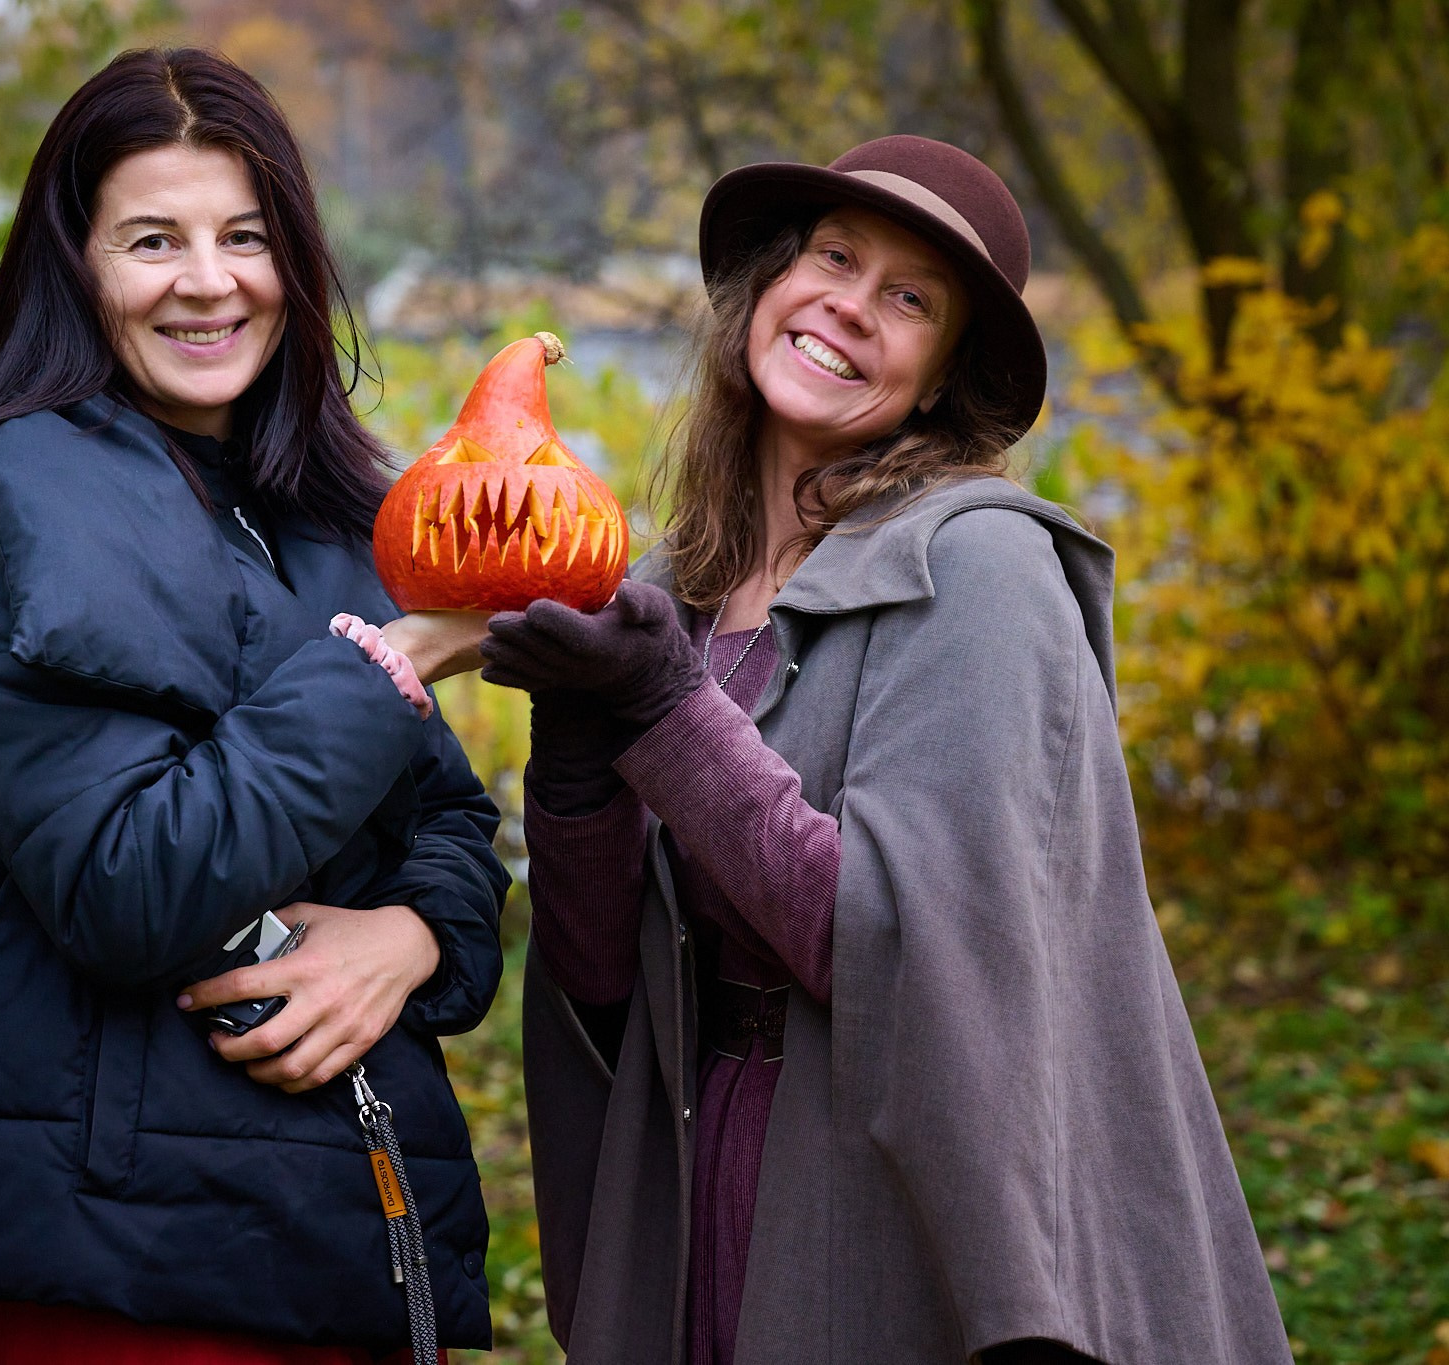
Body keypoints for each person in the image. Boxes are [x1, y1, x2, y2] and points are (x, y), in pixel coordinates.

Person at [483, 137, 1293, 1364]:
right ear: (766, 286)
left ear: (936, 381)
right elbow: (603, 979)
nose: (849, 308)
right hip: (694, 1177)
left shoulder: (979, 569)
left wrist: (660, 714)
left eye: (907, 297)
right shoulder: (673, 594)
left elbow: (903, 948)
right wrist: (581, 762)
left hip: (870, 1195)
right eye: (832, 257)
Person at [0, 48, 507, 1364]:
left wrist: (409, 943)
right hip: (123, 1268)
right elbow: (129, 884)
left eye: (245, 237)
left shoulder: (322, 517)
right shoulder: (23, 508)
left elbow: (451, 825)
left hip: (327, 1239)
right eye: (153, 238)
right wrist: (399, 658)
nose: (209, 281)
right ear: (79, 265)